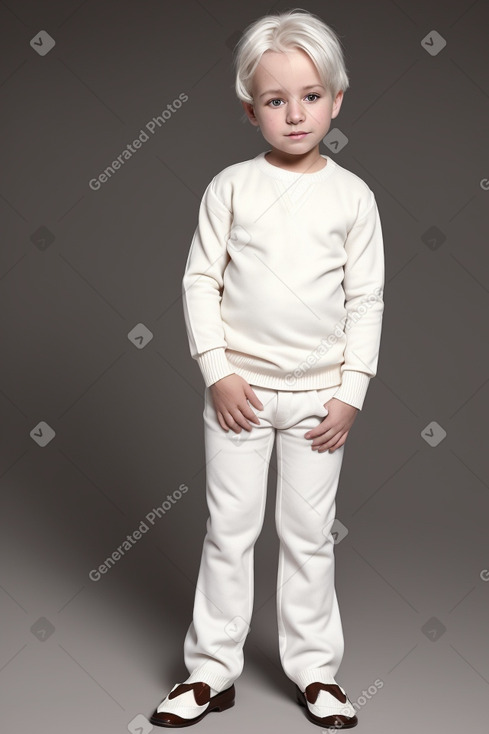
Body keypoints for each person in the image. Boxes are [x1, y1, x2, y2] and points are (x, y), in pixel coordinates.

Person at [150, 7, 385, 729]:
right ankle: (210, 670)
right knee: (230, 529)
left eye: (310, 96)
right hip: (240, 395)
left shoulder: (352, 198)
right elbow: (199, 281)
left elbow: (366, 298)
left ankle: (315, 670)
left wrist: (350, 392)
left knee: (310, 534)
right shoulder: (230, 188)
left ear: (336, 100)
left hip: (318, 400)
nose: (294, 114)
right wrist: (217, 372)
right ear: (250, 110)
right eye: (275, 100)